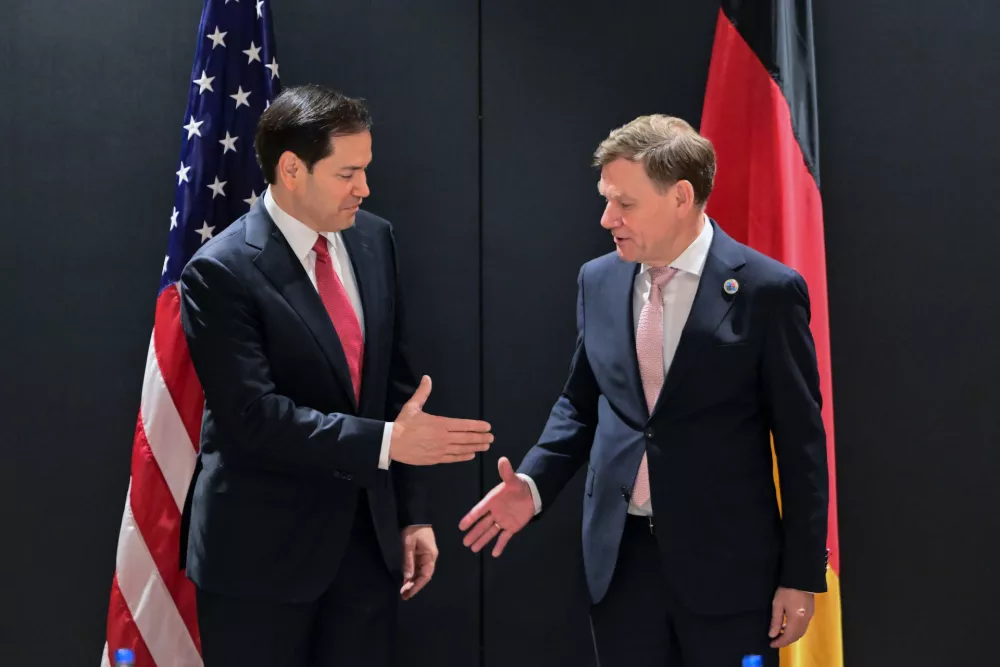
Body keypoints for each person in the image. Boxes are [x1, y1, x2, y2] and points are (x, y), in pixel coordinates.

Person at [459, 115, 829, 667]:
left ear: (681, 196)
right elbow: (581, 403)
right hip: (621, 565)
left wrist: (800, 576)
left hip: (728, 574)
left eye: (624, 203)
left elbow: (802, 445)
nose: (607, 218)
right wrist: (534, 483)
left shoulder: (766, 291)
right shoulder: (598, 279)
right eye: (607, 200)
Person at [178, 84, 493, 666]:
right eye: (348, 173)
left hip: (365, 554)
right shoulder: (218, 272)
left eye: (366, 170)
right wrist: (389, 443)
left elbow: (398, 389)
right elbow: (254, 417)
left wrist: (410, 514)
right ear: (292, 169)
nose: (365, 188)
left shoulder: (374, 238)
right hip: (259, 561)